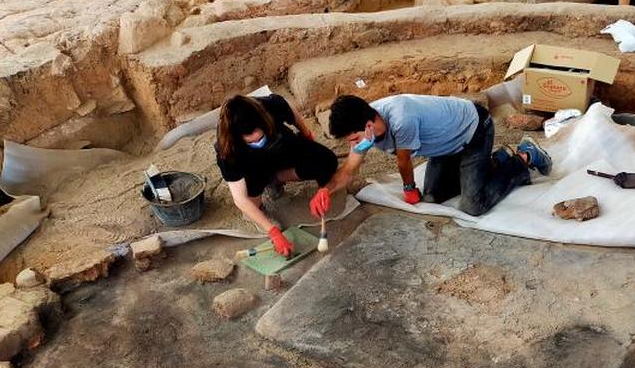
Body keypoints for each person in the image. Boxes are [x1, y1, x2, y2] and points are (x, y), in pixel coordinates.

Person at [316, 93, 551, 218]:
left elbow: (404, 160)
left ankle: (523, 157)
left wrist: (408, 187)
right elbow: (349, 169)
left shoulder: (401, 119)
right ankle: (497, 160)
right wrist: (325, 191)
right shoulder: (366, 124)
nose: (354, 145)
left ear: (367, 126)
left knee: (473, 206)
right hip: (445, 146)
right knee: (430, 197)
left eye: (354, 139)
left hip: (474, 131)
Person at [215, 93, 337, 256]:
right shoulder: (228, 149)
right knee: (251, 204)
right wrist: (273, 232)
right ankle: (263, 191)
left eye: (260, 137)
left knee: (325, 160)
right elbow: (240, 199)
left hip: (280, 147)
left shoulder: (270, 106)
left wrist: (307, 135)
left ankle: (275, 179)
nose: (257, 141)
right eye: (250, 141)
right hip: (253, 168)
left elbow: (291, 113)